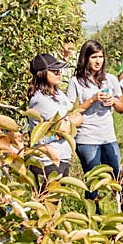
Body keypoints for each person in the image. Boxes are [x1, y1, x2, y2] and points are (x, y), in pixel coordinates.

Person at [66, 40, 123, 213]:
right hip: (86, 138)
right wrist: (92, 99)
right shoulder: (75, 82)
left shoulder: (111, 80)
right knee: (92, 181)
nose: (98, 61)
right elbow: (71, 112)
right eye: (94, 57)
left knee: (118, 177)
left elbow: (122, 109)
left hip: (108, 136)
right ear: (86, 59)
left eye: (101, 57)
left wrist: (113, 101)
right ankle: (93, 217)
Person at [27, 53, 80, 187]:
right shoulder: (40, 100)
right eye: (53, 70)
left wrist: (69, 122)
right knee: (48, 202)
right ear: (40, 74)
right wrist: (69, 122)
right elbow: (63, 128)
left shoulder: (58, 93)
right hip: (47, 160)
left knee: (55, 201)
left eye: (59, 70)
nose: (58, 73)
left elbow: (78, 116)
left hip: (61, 155)